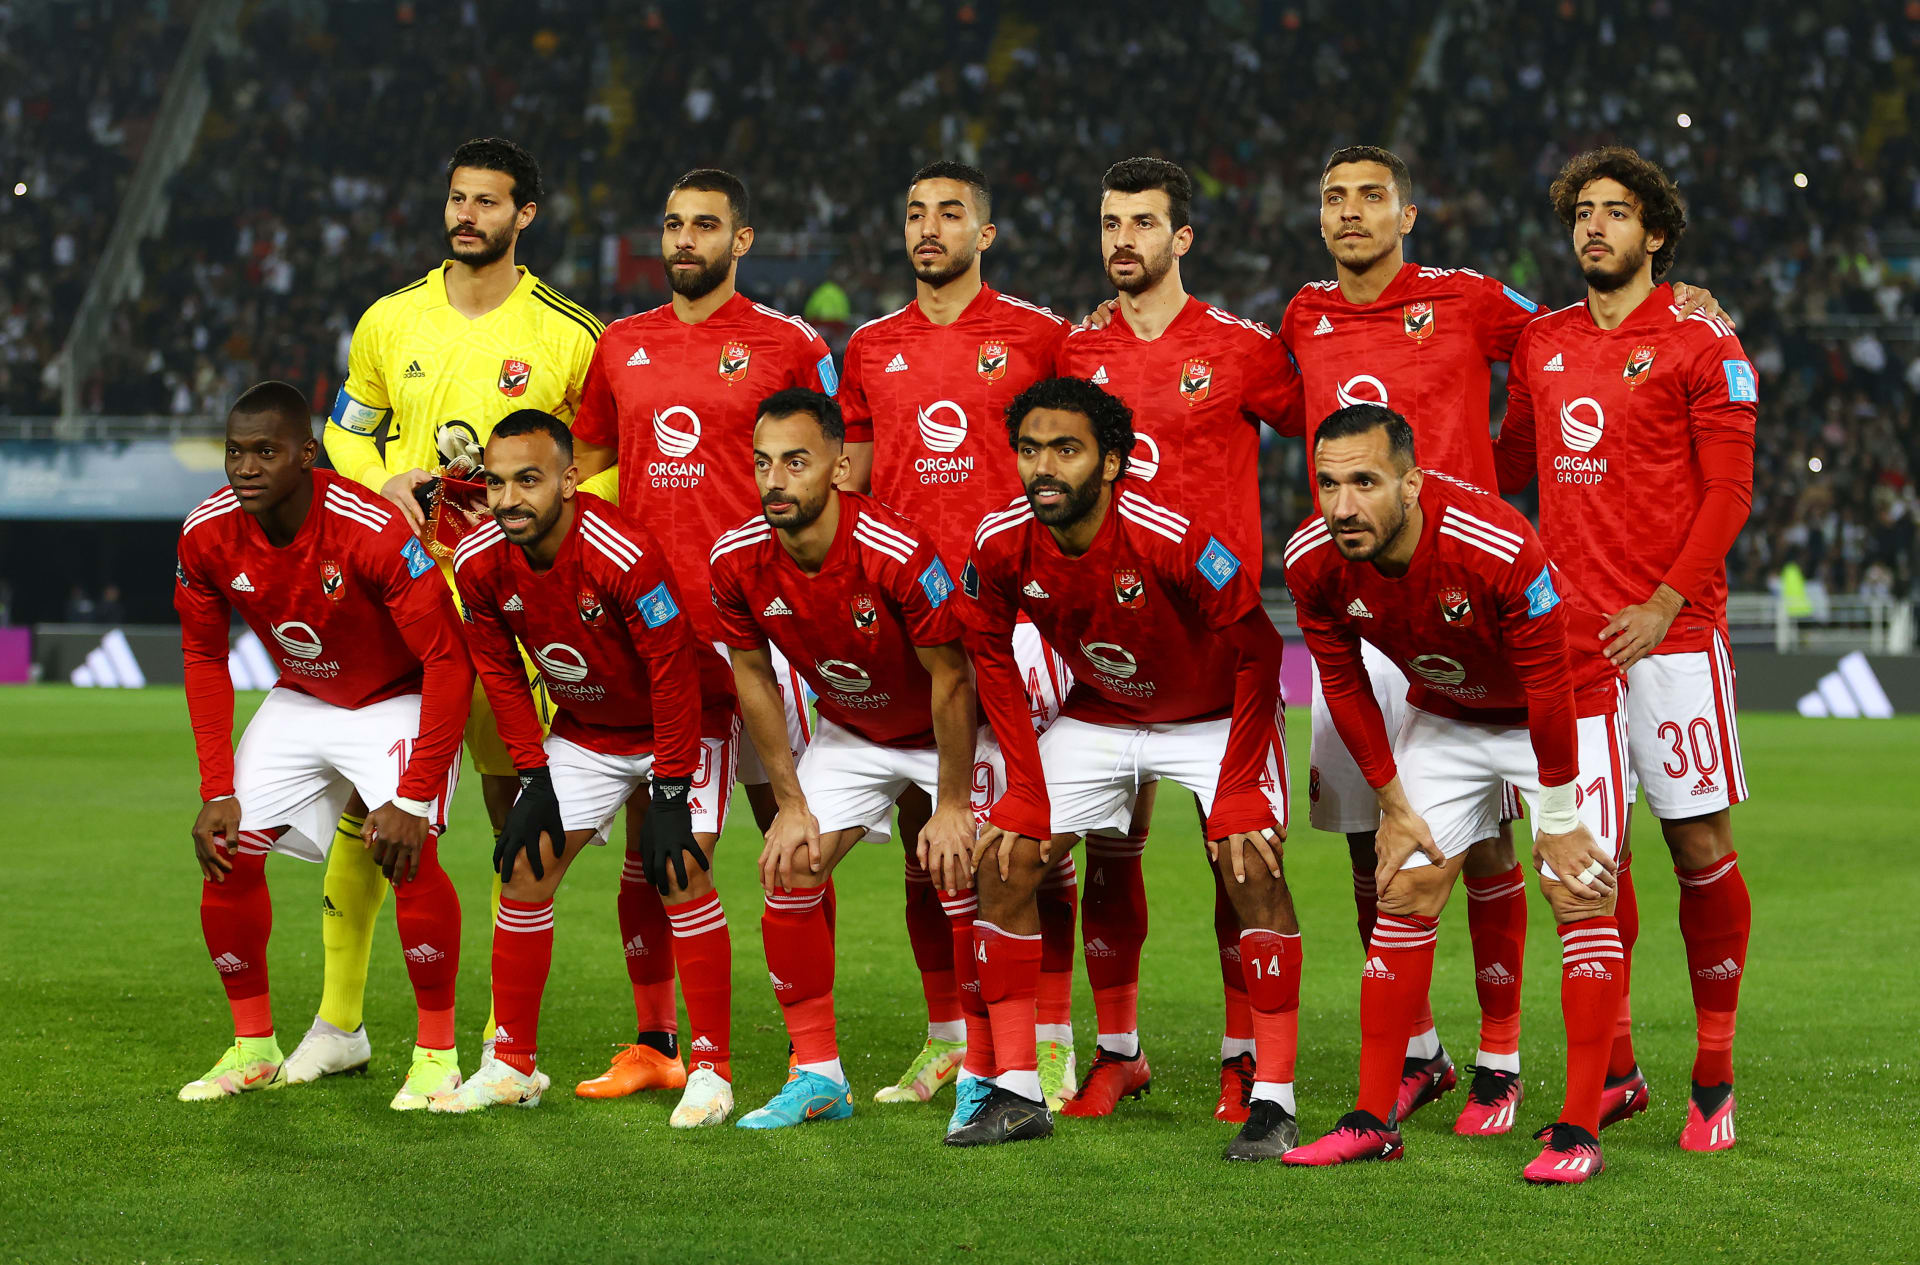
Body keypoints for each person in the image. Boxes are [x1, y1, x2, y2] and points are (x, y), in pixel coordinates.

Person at [305, 137, 602, 1084]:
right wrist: (382, 480)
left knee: (517, 796)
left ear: (526, 217)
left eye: (488, 202)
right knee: (373, 795)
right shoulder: (390, 321)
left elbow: (598, 466)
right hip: (405, 595)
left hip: (518, 606)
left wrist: (535, 514)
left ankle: (504, 1040)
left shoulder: (567, 334)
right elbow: (343, 432)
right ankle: (341, 1024)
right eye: (457, 199)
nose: (466, 215)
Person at [1281, 404, 1626, 1184]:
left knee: (1579, 890)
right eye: (1328, 483)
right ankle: (1373, 1120)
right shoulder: (1313, 559)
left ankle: (1578, 1128)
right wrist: (1392, 801)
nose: (1342, 506)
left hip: (1568, 705)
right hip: (1449, 710)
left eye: (1364, 482)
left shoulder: (1495, 543)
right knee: (1403, 887)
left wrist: (1561, 817)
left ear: (1411, 482)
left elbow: (1547, 682)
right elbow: (1340, 679)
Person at [954, 376, 1294, 1158]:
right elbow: (989, 654)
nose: (1044, 467)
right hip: (1105, 711)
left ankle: (1273, 1098)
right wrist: (1025, 793)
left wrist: (1239, 784)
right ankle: (1016, 1091)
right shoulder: (1003, 540)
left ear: (1112, 462)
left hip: (1212, 716)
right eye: (1031, 449)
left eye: (1065, 450)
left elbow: (1261, 650)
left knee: (1251, 869)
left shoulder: (1172, 535)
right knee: (1005, 861)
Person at [1495, 146, 1756, 1153]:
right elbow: (1510, 462)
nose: (1595, 227)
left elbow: (1728, 491)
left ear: (1655, 233)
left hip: (1675, 638)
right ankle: (1616, 1070)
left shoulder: (1702, 338)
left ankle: (1715, 1071)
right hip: (1568, 647)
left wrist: (1661, 602)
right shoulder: (1544, 341)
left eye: (1617, 212)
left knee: (1697, 845)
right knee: (1584, 868)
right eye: (1582, 213)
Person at [568, 170, 839, 1100]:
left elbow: (841, 472)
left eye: (706, 225)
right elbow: (592, 472)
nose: (686, 239)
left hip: (767, 640)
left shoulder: (790, 344)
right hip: (652, 638)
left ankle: (815, 1052)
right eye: (674, 224)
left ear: (743, 238)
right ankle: (653, 1040)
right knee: (656, 840)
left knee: (794, 834)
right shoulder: (622, 345)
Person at [1057, 157, 1301, 1123]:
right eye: (1111, 221)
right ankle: (1119, 1051)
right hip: (1104, 654)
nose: (1124, 239)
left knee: (1238, 860)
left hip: (1217, 654)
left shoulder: (1241, 348)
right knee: (1109, 854)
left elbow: (1338, 424)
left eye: (1143, 223)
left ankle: (1245, 1057)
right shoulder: (1073, 353)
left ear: (1182, 238)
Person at [838, 160, 1080, 1109]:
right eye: (913, 214)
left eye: (949, 214)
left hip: (1016, 618)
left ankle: (1048, 1038)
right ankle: (945, 1036)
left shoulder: (1037, 335)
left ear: (986, 234)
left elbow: (1080, 464)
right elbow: (854, 484)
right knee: (920, 835)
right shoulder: (868, 346)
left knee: (1023, 834)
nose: (927, 228)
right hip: (906, 622)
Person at [174, 381, 471, 1109]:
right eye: (235, 451)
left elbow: (447, 659)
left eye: (266, 451)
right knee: (226, 848)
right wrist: (218, 786)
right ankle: (253, 1047)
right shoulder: (206, 533)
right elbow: (205, 657)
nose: (245, 467)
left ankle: (437, 1054)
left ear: (307, 454)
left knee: (408, 850)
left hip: (396, 697)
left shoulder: (367, 528)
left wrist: (412, 793)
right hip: (304, 694)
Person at [434, 411, 736, 1123]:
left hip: (683, 719)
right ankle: (511, 1063)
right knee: (523, 867)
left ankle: (712, 1069)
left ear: (570, 479)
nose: (510, 498)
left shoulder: (621, 552)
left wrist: (667, 791)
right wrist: (532, 774)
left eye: (530, 480)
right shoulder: (478, 561)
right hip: (588, 730)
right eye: (499, 481)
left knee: (680, 870)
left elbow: (672, 673)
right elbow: (500, 670)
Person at [708, 388, 980, 1130]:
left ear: (840, 465)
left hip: (939, 731)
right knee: (788, 865)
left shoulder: (895, 551)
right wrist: (791, 801)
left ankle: (987, 1064)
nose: (776, 480)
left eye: (796, 462)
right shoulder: (736, 560)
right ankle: (818, 1074)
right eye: (764, 462)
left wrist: (953, 802)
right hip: (854, 733)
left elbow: (953, 678)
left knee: (965, 870)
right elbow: (753, 676)